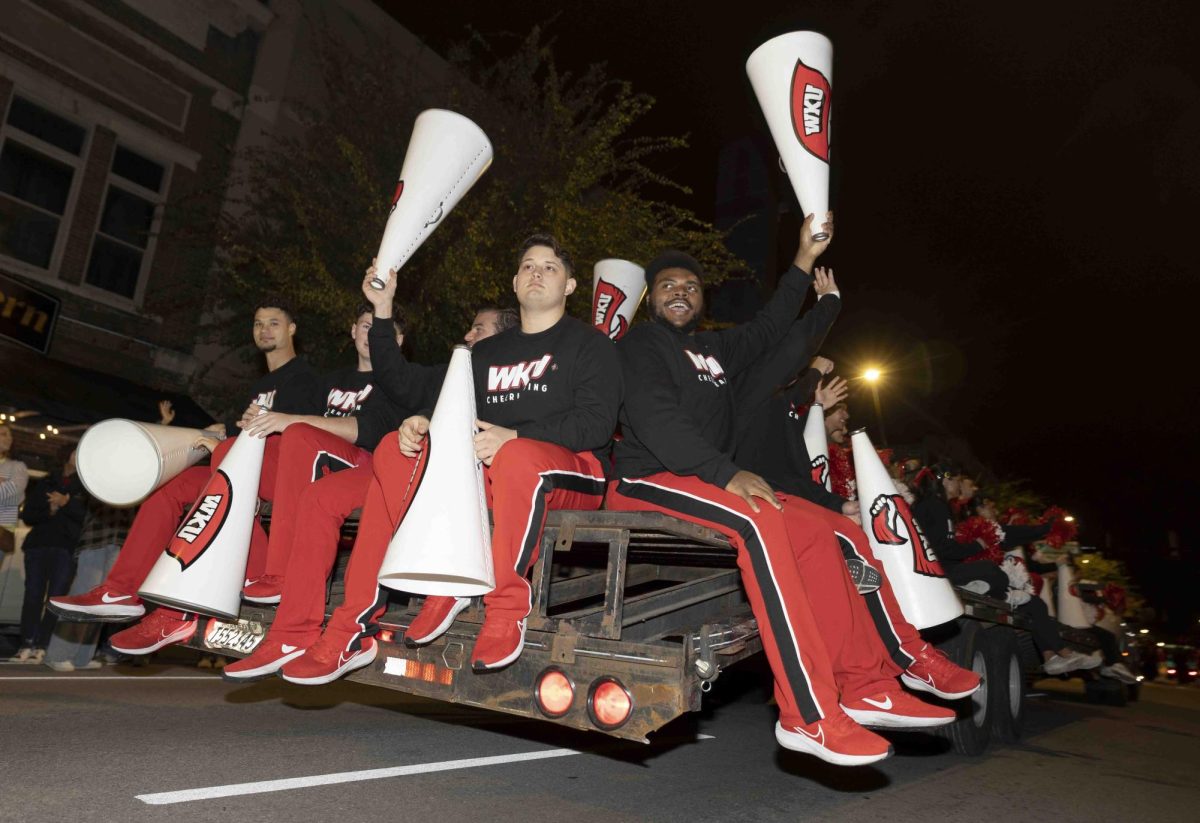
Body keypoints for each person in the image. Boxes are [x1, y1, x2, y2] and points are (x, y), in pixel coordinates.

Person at [605, 215, 962, 767]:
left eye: (692, 286)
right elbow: (658, 420)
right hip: (646, 479)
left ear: (702, 302)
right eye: (669, 285)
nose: (681, 291)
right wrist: (725, 473)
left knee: (835, 530)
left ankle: (868, 679)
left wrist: (801, 260)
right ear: (651, 298)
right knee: (761, 522)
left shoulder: (714, 353)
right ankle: (808, 715)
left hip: (701, 476)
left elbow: (773, 327)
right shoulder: (641, 346)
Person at [277, 233, 620, 685]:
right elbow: (437, 401)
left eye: (550, 267)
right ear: (515, 282)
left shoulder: (590, 345)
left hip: (572, 474)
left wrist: (516, 435)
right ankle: (357, 625)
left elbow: (595, 425)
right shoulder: (487, 353)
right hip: (491, 474)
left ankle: (506, 608)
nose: (537, 273)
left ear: (570, 286)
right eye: (528, 266)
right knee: (393, 456)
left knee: (517, 456)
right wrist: (420, 423)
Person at [222, 281, 515, 681]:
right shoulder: (446, 373)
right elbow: (397, 376)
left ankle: (362, 625)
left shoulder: (518, 380)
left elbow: (373, 423)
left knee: (383, 459)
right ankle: (291, 631)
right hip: (400, 465)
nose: (468, 334)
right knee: (319, 497)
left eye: (479, 329)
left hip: (456, 477)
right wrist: (382, 309)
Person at [732, 276, 979, 698]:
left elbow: (793, 473)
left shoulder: (782, 405)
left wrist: (838, 503)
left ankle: (878, 669)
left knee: (851, 538)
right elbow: (791, 352)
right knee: (843, 540)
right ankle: (895, 660)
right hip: (754, 501)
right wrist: (828, 303)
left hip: (785, 497)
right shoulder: (750, 390)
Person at [48, 298, 325, 652]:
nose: (264, 330)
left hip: (281, 474)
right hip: (241, 470)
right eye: (258, 324)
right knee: (170, 489)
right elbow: (244, 429)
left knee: (220, 475)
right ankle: (121, 591)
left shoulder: (307, 379)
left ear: (291, 329)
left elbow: (302, 437)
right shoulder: (259, 386)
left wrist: (234, 440)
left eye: (273, 322)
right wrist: (221, 429)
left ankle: (184, 609)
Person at [911, 466, 1099, 675]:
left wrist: (1044, 530)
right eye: (961, 481)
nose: (965, 486)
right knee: (994, 572)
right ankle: (1005, 594)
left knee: (1032, 602)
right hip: (941, 573)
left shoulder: (943, 508)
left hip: (952, 569)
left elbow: (1003, 534)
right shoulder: (938, 507)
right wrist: (979, 545)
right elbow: (943, 548)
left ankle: (1053, 656)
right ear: (946, 481)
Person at [9, 448, 85, 663]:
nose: (78, 455)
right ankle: (26, 643)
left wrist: (66, 503)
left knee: (56, 598)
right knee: (32, 595)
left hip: (66, 549)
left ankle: (43, 645)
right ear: (66, 455)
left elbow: (85, 519)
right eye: (75, 451)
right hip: (38, 546)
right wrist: (49, 510)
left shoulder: (86, 487)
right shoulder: (46, 481)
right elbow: (27, 515)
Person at [0, 424, 28, 529]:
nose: (9, 438)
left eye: (10, 435)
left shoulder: (17, 467)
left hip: (3, 528)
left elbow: (15, 497)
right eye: (4, 434)